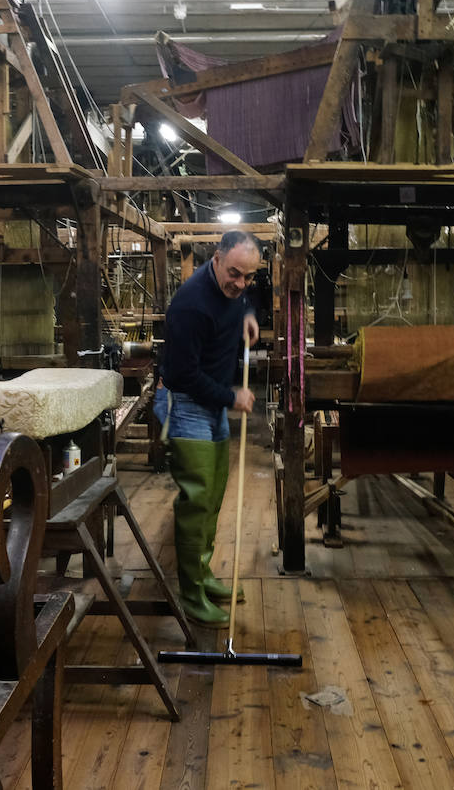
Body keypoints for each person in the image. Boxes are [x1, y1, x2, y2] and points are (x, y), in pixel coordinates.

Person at [154, 231, 261, 627]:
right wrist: (231, 398)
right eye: (235, 274)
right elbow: (182, 374)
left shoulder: (235, 290)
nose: (241, 283)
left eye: (248, 277)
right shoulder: (190, 305)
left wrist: (249, 316)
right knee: (196, 499)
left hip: (211, 403)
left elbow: (246, 302)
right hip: (186, 404)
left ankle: (201, 572)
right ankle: (190, 594)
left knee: (213, 495)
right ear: (216, 259)